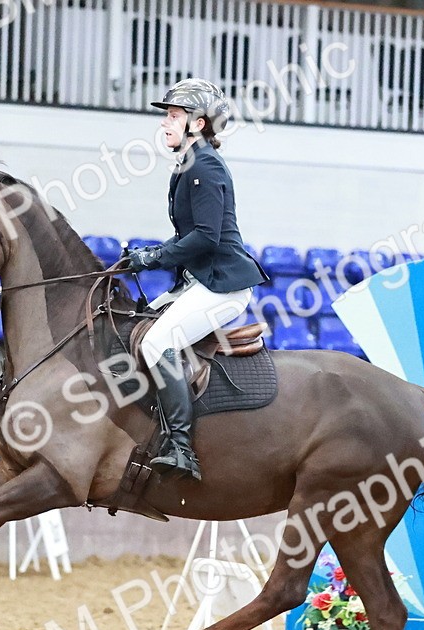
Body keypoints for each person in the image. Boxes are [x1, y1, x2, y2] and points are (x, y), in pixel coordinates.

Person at [126, 79, 269, 482]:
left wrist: (156, 257)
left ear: (198, 123)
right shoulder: (190, 164)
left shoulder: (204, 165)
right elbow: (189, 235)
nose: (165, 123)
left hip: (222, 286)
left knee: (157, 342)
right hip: (200, 281)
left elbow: (206, 236)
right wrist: (149, 254)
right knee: (137, 325)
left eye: (174, 116)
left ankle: (181, 448)